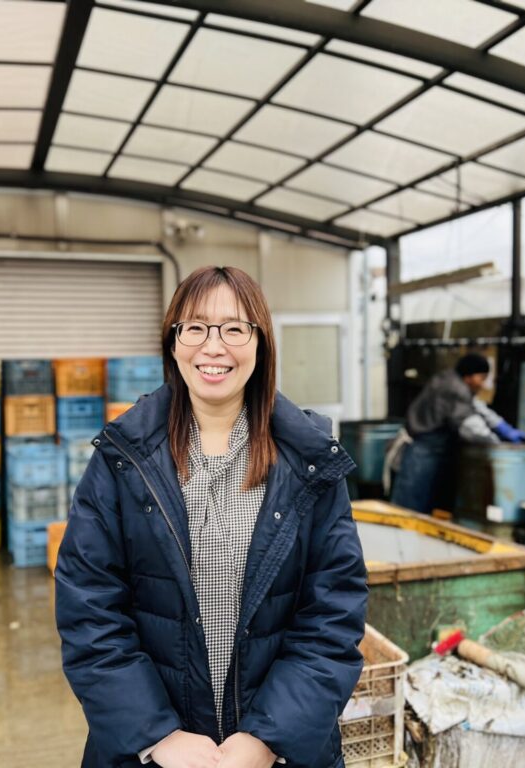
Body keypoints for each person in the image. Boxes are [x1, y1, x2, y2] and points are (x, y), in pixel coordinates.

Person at [55, 266, 369, 768]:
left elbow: (332, 614)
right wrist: (158, 736)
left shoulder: (310, 463)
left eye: (234, 328)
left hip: (276, 755)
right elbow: (89, 609)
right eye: (195, 327)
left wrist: (268, 738)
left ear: (261, 343)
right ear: (173, 342)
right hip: (153, 756)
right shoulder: (123, 457)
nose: (213, 346)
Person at [390, 353, 525, 515]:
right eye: (481, 378)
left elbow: (476, 407)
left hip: (432, 450)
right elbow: (470, 426)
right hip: (423, 452)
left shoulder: (452, 379)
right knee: (409, 504)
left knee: (425, 504)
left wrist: (502, 426)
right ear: (468, 376)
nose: (483, 384)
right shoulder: (454, 388)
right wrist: (498, 444)